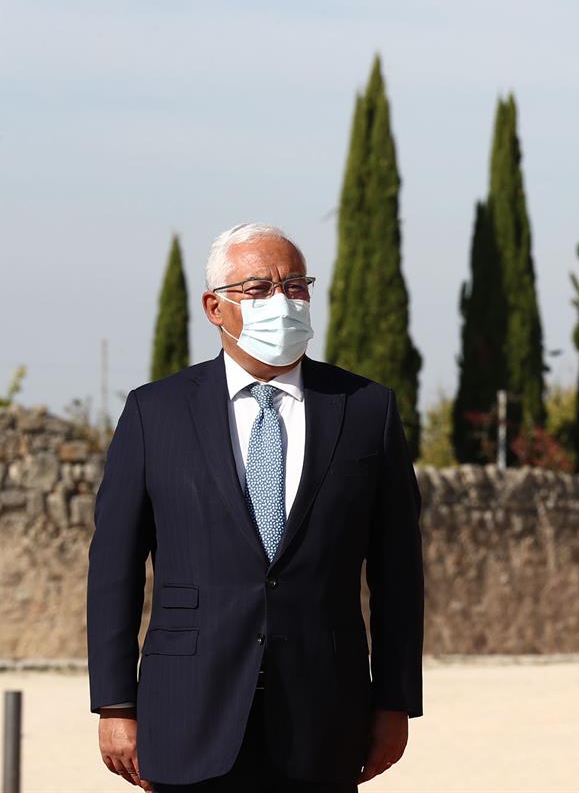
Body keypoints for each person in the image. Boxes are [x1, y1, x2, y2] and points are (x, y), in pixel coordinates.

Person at [87, 223, 424, 792]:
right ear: (214, 308)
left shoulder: (367, 410)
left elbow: (398, 574)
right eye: (259, 288)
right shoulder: (155, 413)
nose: (283, 302)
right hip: (188, 713)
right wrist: (116, 705)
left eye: (296, 285)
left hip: (325, 716)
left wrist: (394, 701)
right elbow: (114, 569)